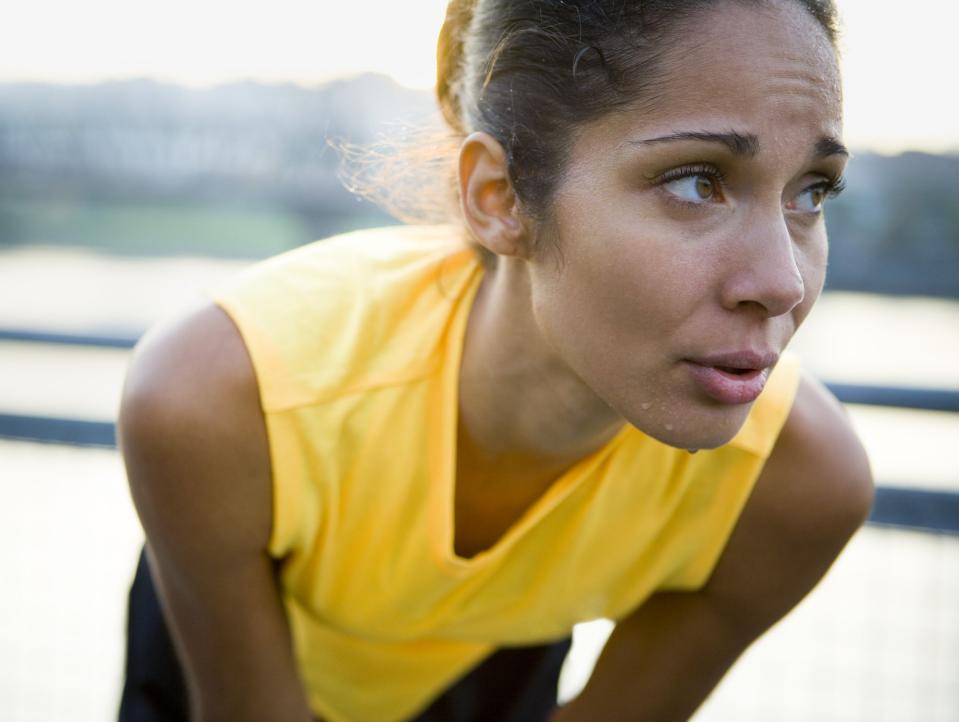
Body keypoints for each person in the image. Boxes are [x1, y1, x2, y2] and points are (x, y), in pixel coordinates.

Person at [117, 0, 874, 720]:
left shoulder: (794, 485)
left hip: (495, 658)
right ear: (500, 196)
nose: (783, 282)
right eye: (694, 181)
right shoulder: (221, 398)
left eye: (812, 192)